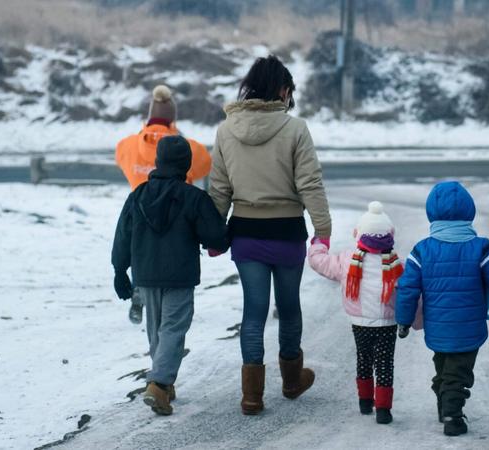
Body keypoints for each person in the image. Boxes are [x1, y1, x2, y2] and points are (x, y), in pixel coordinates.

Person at [208, 55, 332, 415]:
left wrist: (215, 233)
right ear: (281, 89)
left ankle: (252, 396)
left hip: (246, 234)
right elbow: (309, 183)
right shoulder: (295, 129)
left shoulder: (225, 130)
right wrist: (322, 229)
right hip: (287, 233)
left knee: (253, 311)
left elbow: (219, 189)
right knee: (289, 309)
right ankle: (292, 381)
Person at [395, 181, 489, 437]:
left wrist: (403, 321)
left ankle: (444, 397)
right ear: (469, 211)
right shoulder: (480, 247)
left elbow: (407, 288)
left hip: (437, 328)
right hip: (469, 329)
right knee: (459, 373)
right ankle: (452, 416)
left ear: (431, 213)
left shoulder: (422, 250)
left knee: (445, 366)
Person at [111, 135, 228, 416]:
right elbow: (216, 237)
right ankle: (159, 383)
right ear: (186, 165)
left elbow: (122, 235)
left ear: (158, 161)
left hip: (146, 275)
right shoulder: (193, 198)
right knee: (173, 329)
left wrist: (119, 270)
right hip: (179, 275)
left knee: (157, 331)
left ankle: (163, 383)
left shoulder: (137, 195)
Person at [115, 84, 212, 325]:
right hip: (178, 212)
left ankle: (140, 290)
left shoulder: (128, 145)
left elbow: (120, 155)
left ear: (149, 115)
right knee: (172, 260)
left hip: (141, 211)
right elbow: (205, 165)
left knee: (142, 252)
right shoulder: (186, 148)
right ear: (172, 117)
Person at [308, 201, 403, 425]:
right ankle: (383, 410)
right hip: (387, 324)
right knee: (385, 364)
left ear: (358, 233)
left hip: (359, 323)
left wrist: (318, 244)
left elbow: (318, 262)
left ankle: (364, 401)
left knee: (364, 358)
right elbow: (409, 292)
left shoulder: (348, 260)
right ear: (390, 234)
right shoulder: (397, 263)